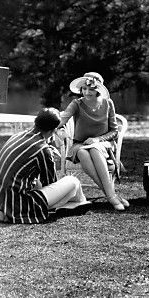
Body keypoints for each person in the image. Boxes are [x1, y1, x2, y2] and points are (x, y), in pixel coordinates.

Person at [0, 108, 88, 224]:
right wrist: (51, 156)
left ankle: (79, 204)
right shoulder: (43, 150)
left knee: (39, 183)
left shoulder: (18, 135)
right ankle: (80, 204)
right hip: (16, 206)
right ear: (53, 130)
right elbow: (50, 183)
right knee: (73, 181)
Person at [58, 72, 128, 211]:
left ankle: (111, 196)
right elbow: (63, 119)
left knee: (94, 149)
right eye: (84, 89)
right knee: (83, 152)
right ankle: (112, 196)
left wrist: (97, 139)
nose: (87, 92)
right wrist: (50, 127)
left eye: (91, 89)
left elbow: (114, 131)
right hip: (80, 144)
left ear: (98, 90)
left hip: (102, 144)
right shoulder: (76, 104)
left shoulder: (108, 103)